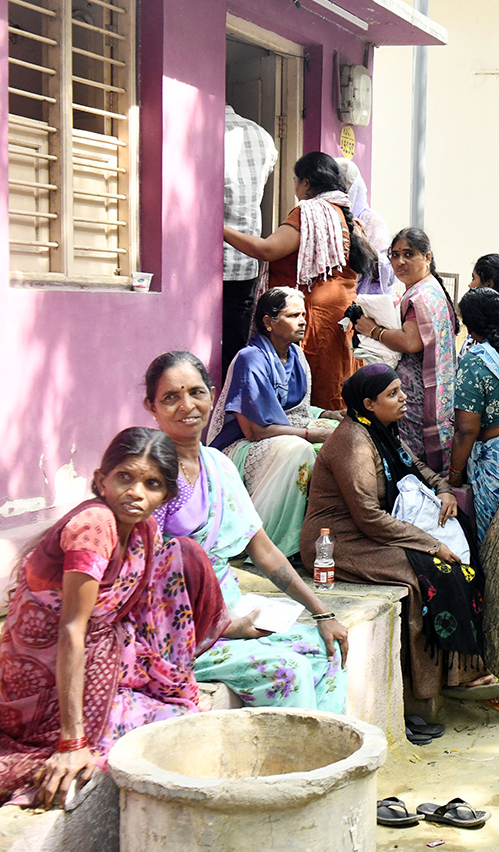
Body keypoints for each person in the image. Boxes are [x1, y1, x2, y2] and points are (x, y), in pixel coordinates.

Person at [0, 428, 227, 843]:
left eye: (152, 484)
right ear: (100, 479)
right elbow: (72, 630)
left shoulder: (143, 530)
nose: (136, 492)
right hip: (41, 682)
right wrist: (72, 741)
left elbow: (123, 613)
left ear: (166, 493)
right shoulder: (95, 525)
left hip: (95, 660)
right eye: (125, 477)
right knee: (134, 743)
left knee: (175, 718)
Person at [300, 364, 499, 713]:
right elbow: (368, 517)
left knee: (462, 552)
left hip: (376, 532)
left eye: (401, 390)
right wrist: (431, 544)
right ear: (369, 403)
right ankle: (436, 686)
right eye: (393, 394)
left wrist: (444, 489)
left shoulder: (381, 430)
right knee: (431, 574)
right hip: (342, 542)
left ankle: (463, 672)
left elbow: (418, 467)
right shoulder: (352, 442)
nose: (404, 398)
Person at [143, 351, 349, 712]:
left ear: (211, 395)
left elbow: (264, 550)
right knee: (290, 670)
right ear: (152, 406)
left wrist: (320, 611)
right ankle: (290, 766)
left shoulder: (218, 465)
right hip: (178, 631)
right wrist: (224, 628)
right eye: (171, 398)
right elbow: (143, 580)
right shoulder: (149, 476)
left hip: (233, 610)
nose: (187, 406)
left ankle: (327, 759)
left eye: (196, 392)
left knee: (327, 649)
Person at [223, 151, 376, 411]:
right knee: (335, 388)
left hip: (312, 320)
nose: (295, 187)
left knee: (309, 392)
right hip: (343, 319)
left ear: (306, 183)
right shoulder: (350, 219)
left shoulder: (309, 213)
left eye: (295, 180)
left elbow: (267, 250)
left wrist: (220, 228)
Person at [207, 287, 334, 558]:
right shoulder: (250, 359)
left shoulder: (296, 355)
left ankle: (324, 536)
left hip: (284, 433)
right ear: (269, 322)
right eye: (293, 315)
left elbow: (296, 410)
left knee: (349, 436)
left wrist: (329, 417)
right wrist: (311, 434)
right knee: (299, 451)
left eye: (303, 314)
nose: (303, 321)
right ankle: (273, 546)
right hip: (242, 446)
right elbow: (255, 430)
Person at [353, 228, 457, 473]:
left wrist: (373, 330)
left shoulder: (421, 295)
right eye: (395, 255)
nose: (400, 262)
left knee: (411, 461)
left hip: (417, 396)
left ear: (427, 257)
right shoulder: (431, 289)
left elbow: (411, 342)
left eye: (409, 254)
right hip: (435, 390)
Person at [447, 287, 499, 543]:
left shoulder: (473, 361)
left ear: (469, 328)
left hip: (497, 465)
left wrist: (453, 476)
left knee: (497, 539)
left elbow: (466, 430)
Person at [222, 105, 277, 382]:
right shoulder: (263, 137)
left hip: (211, 257)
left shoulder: (206, 134)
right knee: (235, 343)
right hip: (245, 258)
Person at [334, 157, 397, 298]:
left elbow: (388, 270)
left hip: (365, 301)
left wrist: (362, 243)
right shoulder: (329, 218)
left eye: (344, 186)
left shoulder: (370, 220)